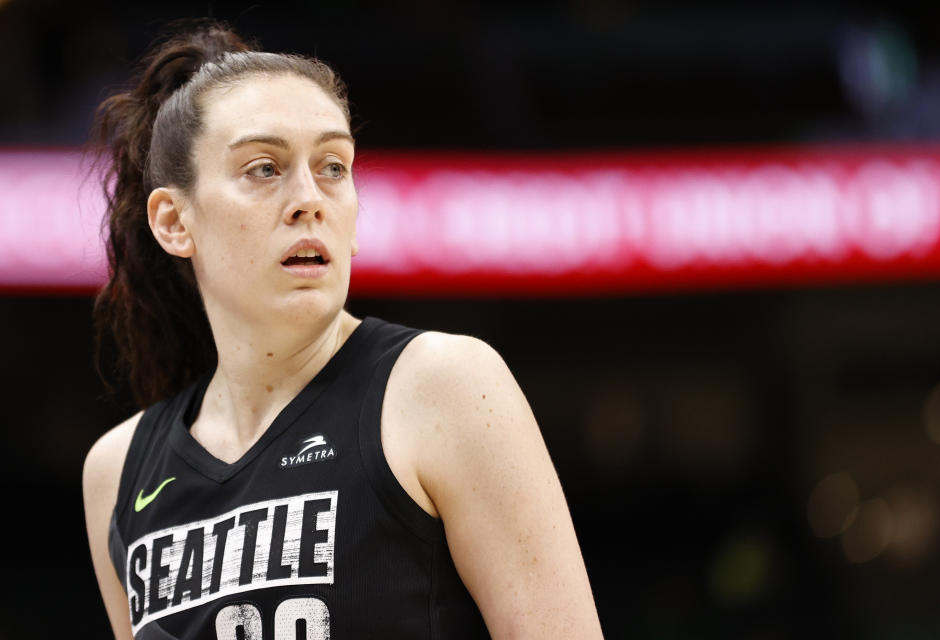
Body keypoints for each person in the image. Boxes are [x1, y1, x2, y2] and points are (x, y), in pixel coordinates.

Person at [82, 22, 603, 640]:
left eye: (333, 165)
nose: (310, 198)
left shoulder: (444, 387)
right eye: (264, 168)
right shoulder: (116, 472)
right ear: (174, 220)